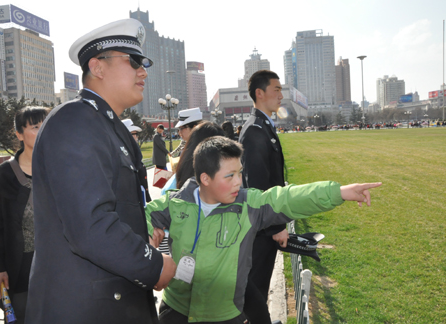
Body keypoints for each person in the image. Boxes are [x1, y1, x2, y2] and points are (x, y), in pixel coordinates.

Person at [25, 19, 176, 323]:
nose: (143, 71)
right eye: (134, 61)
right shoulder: (75, 121)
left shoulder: (110, 128)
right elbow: (89, 226)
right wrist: (154, 264)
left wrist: (140, 234)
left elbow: (113, 208)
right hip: (85, 308)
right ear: (98, 67)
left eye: (144, 63)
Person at [147, 136, 381, 323]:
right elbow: (141, 215)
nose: (239, 181)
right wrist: (149, 235)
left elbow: (287, 198)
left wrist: (337, 192)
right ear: (205, 179)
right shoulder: (175, 204)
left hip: (225, 316)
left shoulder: (249, 206)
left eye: (240, 172)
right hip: (175, 312)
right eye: (230, 176)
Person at [0, 106, 49, 323]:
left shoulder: (61, 169)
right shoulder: (1, 176)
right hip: (20, 267)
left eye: (46, 126)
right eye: (35, 127)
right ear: (19, 134)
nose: (43, 131)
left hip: (59, 266)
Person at [238, 70, 288, 323]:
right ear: (260, 93)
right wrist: (277, 225)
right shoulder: (256, 130)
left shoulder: (262, 125)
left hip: (263, 226)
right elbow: (258, 187)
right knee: (256, 288)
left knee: (258, 286)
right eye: (276, 89)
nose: (281, 95)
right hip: (262, 229)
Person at [122, 118, 151, 203]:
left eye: (136, 134)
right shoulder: (125, 155)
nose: (136, 137)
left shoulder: (134, 153)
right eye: (133, 134)